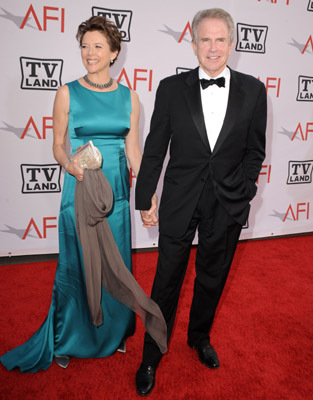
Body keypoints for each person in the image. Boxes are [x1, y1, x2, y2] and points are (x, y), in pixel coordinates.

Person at [0, 15, 167, 373]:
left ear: (114, 53)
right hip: (80, 194)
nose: (89, 53)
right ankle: (66, 336)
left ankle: (114, 333)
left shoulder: (130, 98)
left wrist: (149, 193)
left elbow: (134, 151)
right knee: (77, 264)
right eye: (84, 46)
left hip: (117, 197)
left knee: (116, 265)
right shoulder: (67, 92)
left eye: (97, 47)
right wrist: (70, 165)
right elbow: (57, 146)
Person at [134, 8, 267, 396]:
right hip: (180, 199)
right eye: (204, 40)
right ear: (192, 44)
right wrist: (145, 196)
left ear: (232, 44)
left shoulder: (254, 90)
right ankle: (151, 353)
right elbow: (155, 148)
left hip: (226, 201)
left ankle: (199, 337)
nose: (213, 47)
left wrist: (244, 190)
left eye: (220, 39)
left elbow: (255, 151)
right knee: (166, 281)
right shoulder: (171, 89)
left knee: (212, 277)